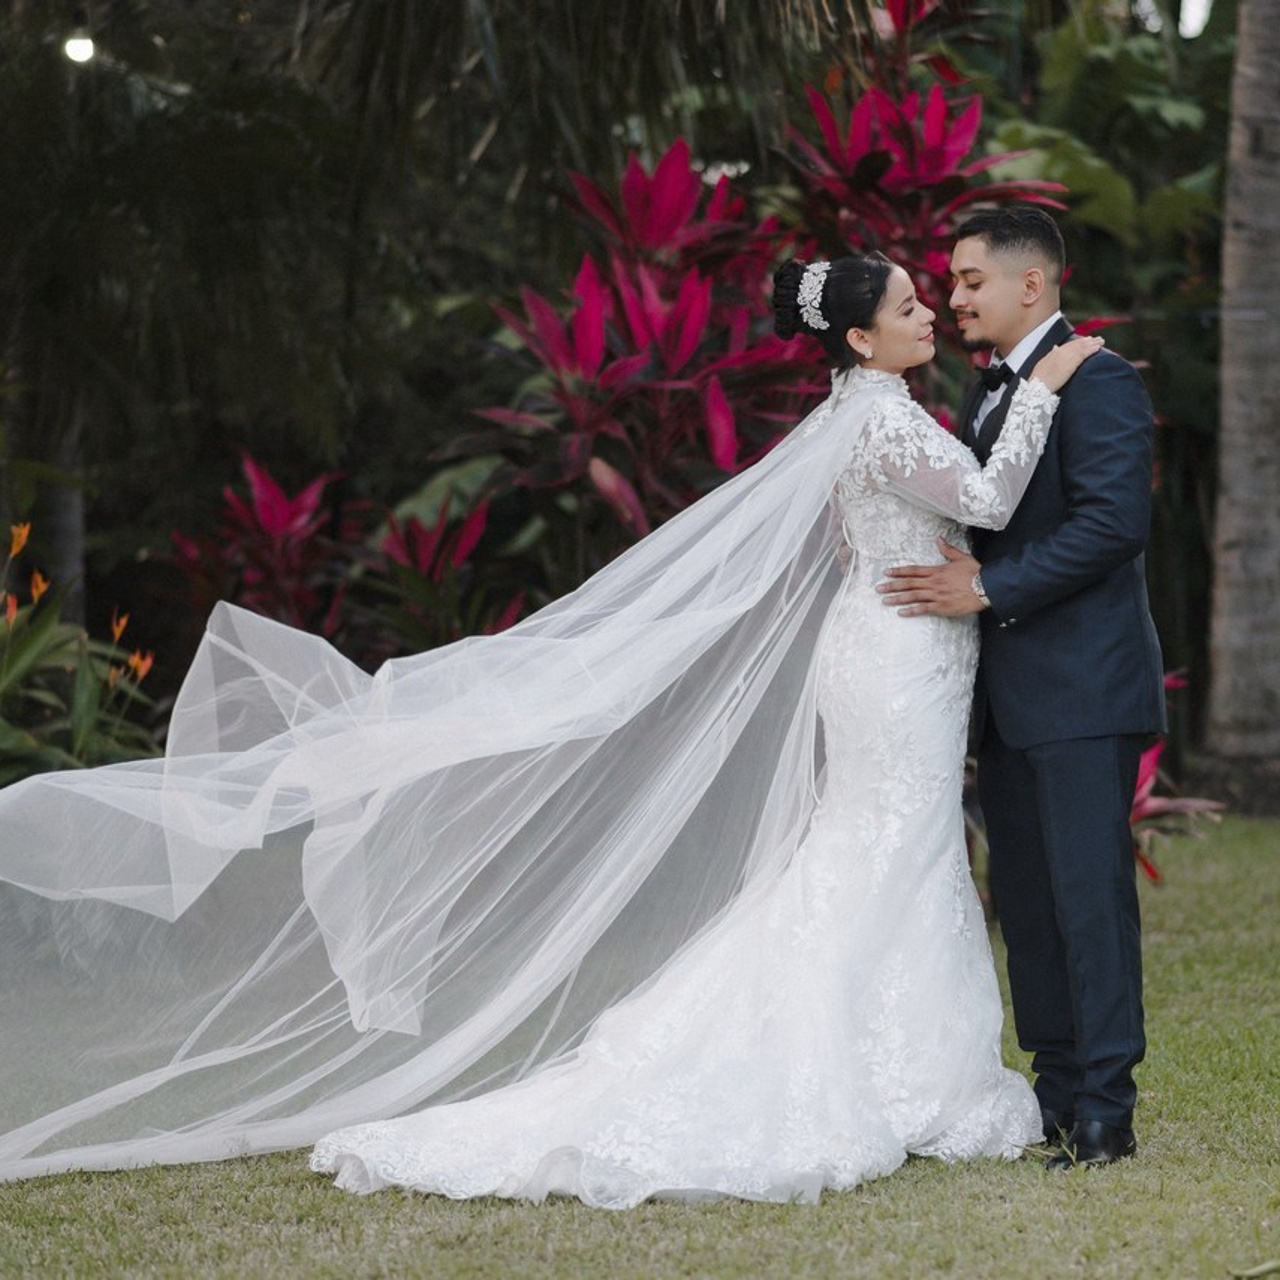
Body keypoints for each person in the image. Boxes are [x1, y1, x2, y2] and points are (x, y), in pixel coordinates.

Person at [0, 253, 1099, 1204]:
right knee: (880, 842)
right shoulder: (877, 419)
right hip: (895, 654)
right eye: (906, 305)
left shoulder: (869, 415)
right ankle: (883, 1072)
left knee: (881, 846)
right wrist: (1048, 382)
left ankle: (906, 1065)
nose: (924, 315)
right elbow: (993, 502)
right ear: (858, 337)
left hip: (897, 645)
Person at [877, 206, 1166, 1170]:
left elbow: (1113, 524)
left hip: (1083, 688)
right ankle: (1053, 1091)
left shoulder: (1102, 380)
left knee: (1088, 899)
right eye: (949, 284)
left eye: (968, 281)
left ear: (1030, 285)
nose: (953, 297)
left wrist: (988, 585)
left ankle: (1105, 1111)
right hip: (1005, 696)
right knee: (1031, 905)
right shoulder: (988, 392)